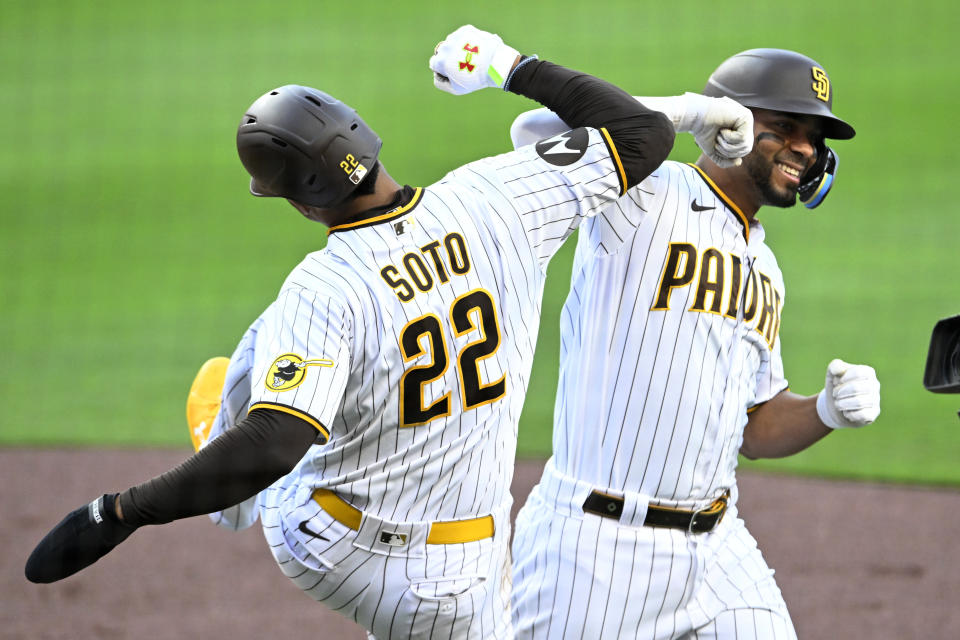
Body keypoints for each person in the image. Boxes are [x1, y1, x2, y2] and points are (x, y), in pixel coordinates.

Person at [23, 24, 716, 639]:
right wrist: (508, 64)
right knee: (300, 351)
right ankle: (236, 451)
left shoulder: (324, 287)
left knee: (289, 350)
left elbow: (274, 446)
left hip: (328, 545)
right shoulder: (496, 196)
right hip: (462, 569)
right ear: (365, 138)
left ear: (297, 199)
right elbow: (641, 132)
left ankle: (228, 458)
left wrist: (120, 512)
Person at [502, 49, 882, 639]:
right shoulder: (645, 193)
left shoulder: (765, 267)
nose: (805, 149)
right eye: (783, 128)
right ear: (731, 120)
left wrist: (825, 410)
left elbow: (755, 426)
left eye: (813, 137)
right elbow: (533, 132)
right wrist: (688, 115)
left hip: (718, 544)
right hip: (597, 550)